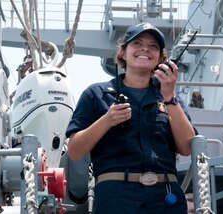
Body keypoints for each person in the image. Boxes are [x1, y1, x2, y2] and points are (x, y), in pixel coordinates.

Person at [65, 22, 195, 214]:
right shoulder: (96, 94)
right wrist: (107, 120)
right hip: (116, 198)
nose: (145, 49)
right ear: (123, 53)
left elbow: (186, 147)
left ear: (160, 58)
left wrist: (169, 97)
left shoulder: (170, 98)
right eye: (137, 43)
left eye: (153, 46)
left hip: (165, 198)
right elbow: (74, 151)